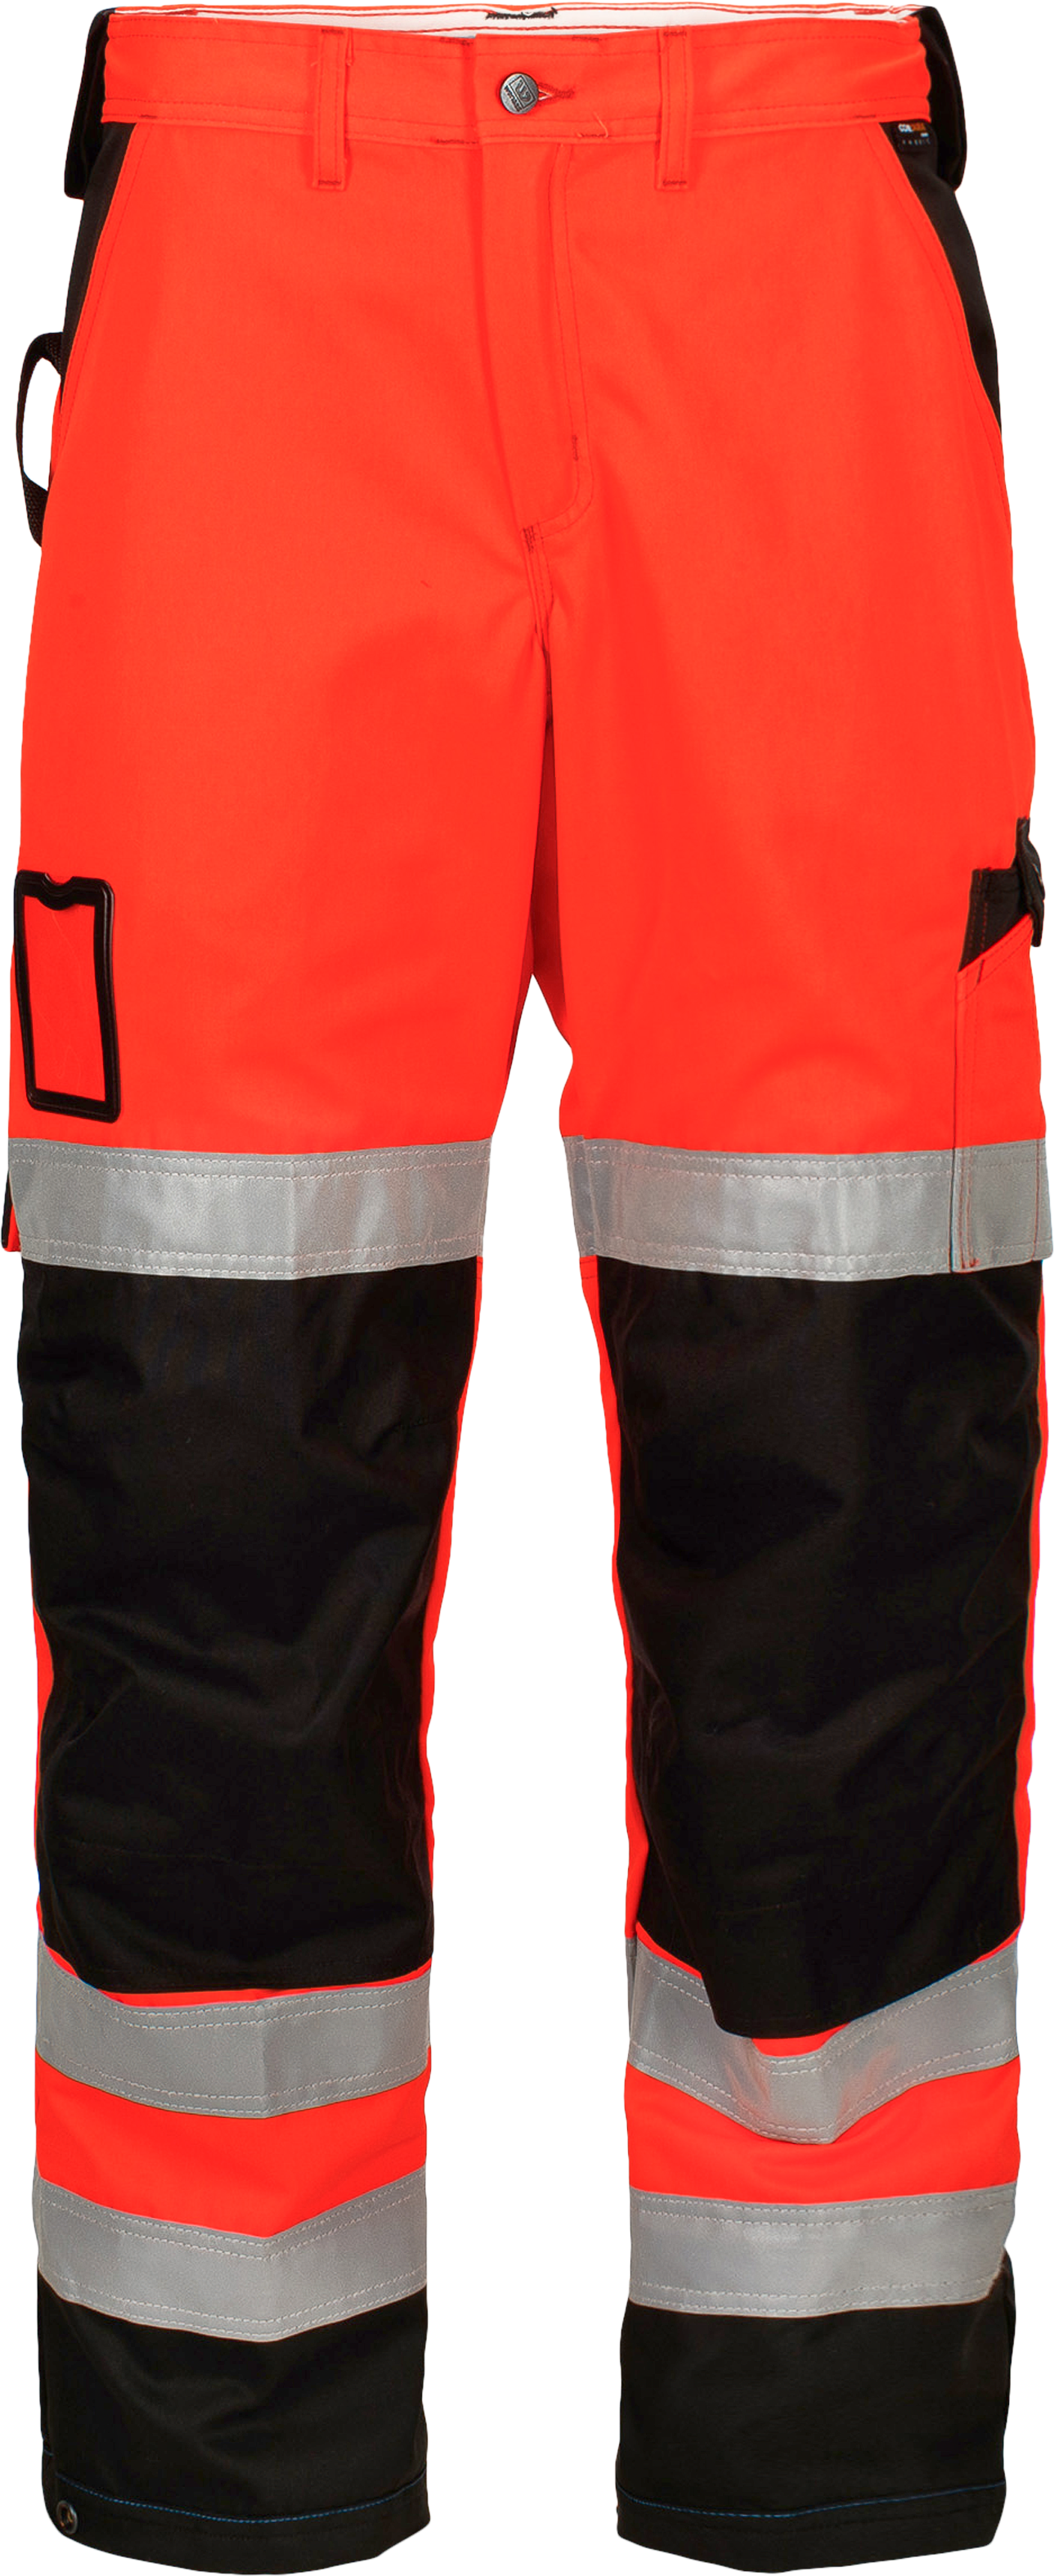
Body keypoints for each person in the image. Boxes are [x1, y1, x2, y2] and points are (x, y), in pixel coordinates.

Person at [11, 1, 1048, 2567]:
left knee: (854, 1422)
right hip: (247, 247)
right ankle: (214, 2430)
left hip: (794, 237)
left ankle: (833, 2424)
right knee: (206, 1439)